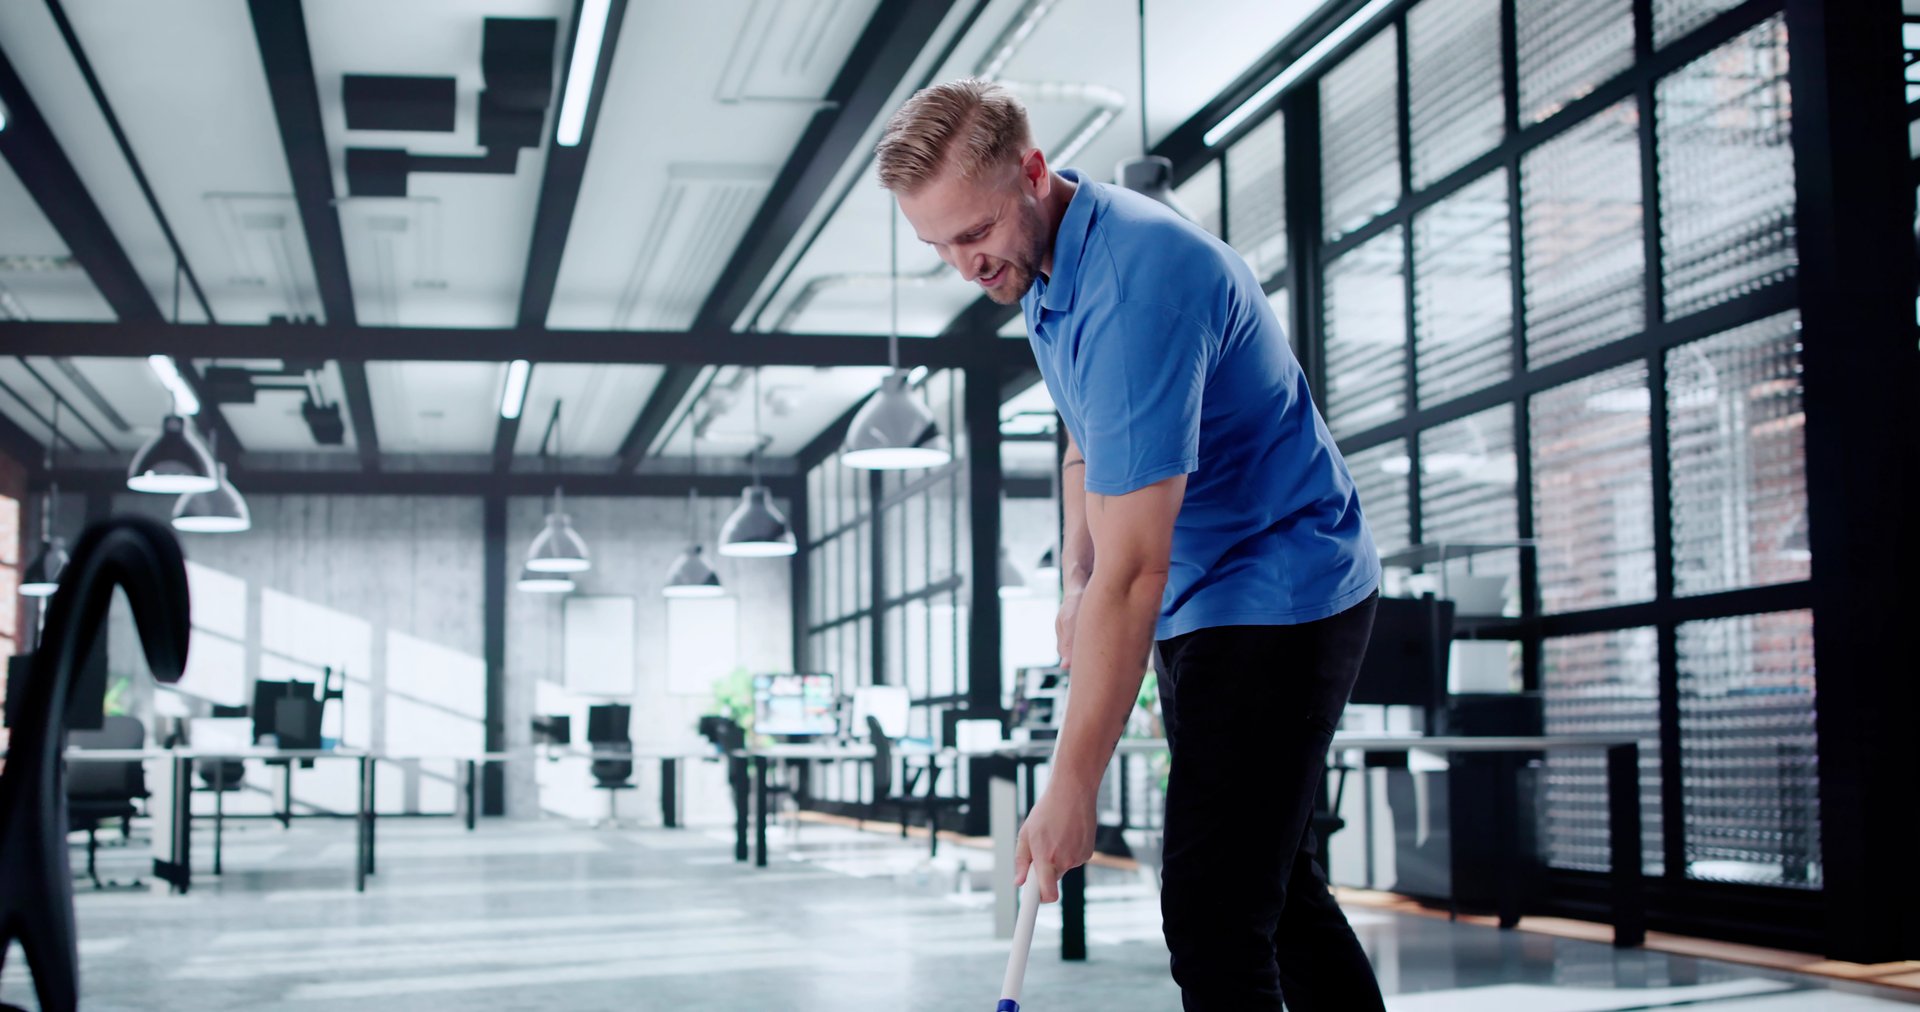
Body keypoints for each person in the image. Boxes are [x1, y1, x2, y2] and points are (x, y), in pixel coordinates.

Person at [875, 79, 1387, 1011]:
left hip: (1281, 586)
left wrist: (1072, 787)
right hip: (1205, 591)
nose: (963, 265)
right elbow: (1084, 439)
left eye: (974, 233)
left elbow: (1137, 568)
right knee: (1278, 892)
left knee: (1213, 913)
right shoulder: (1038, 265)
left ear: (1034, 172)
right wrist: (1074, 575)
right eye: (938, 245)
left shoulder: (1136, 284)